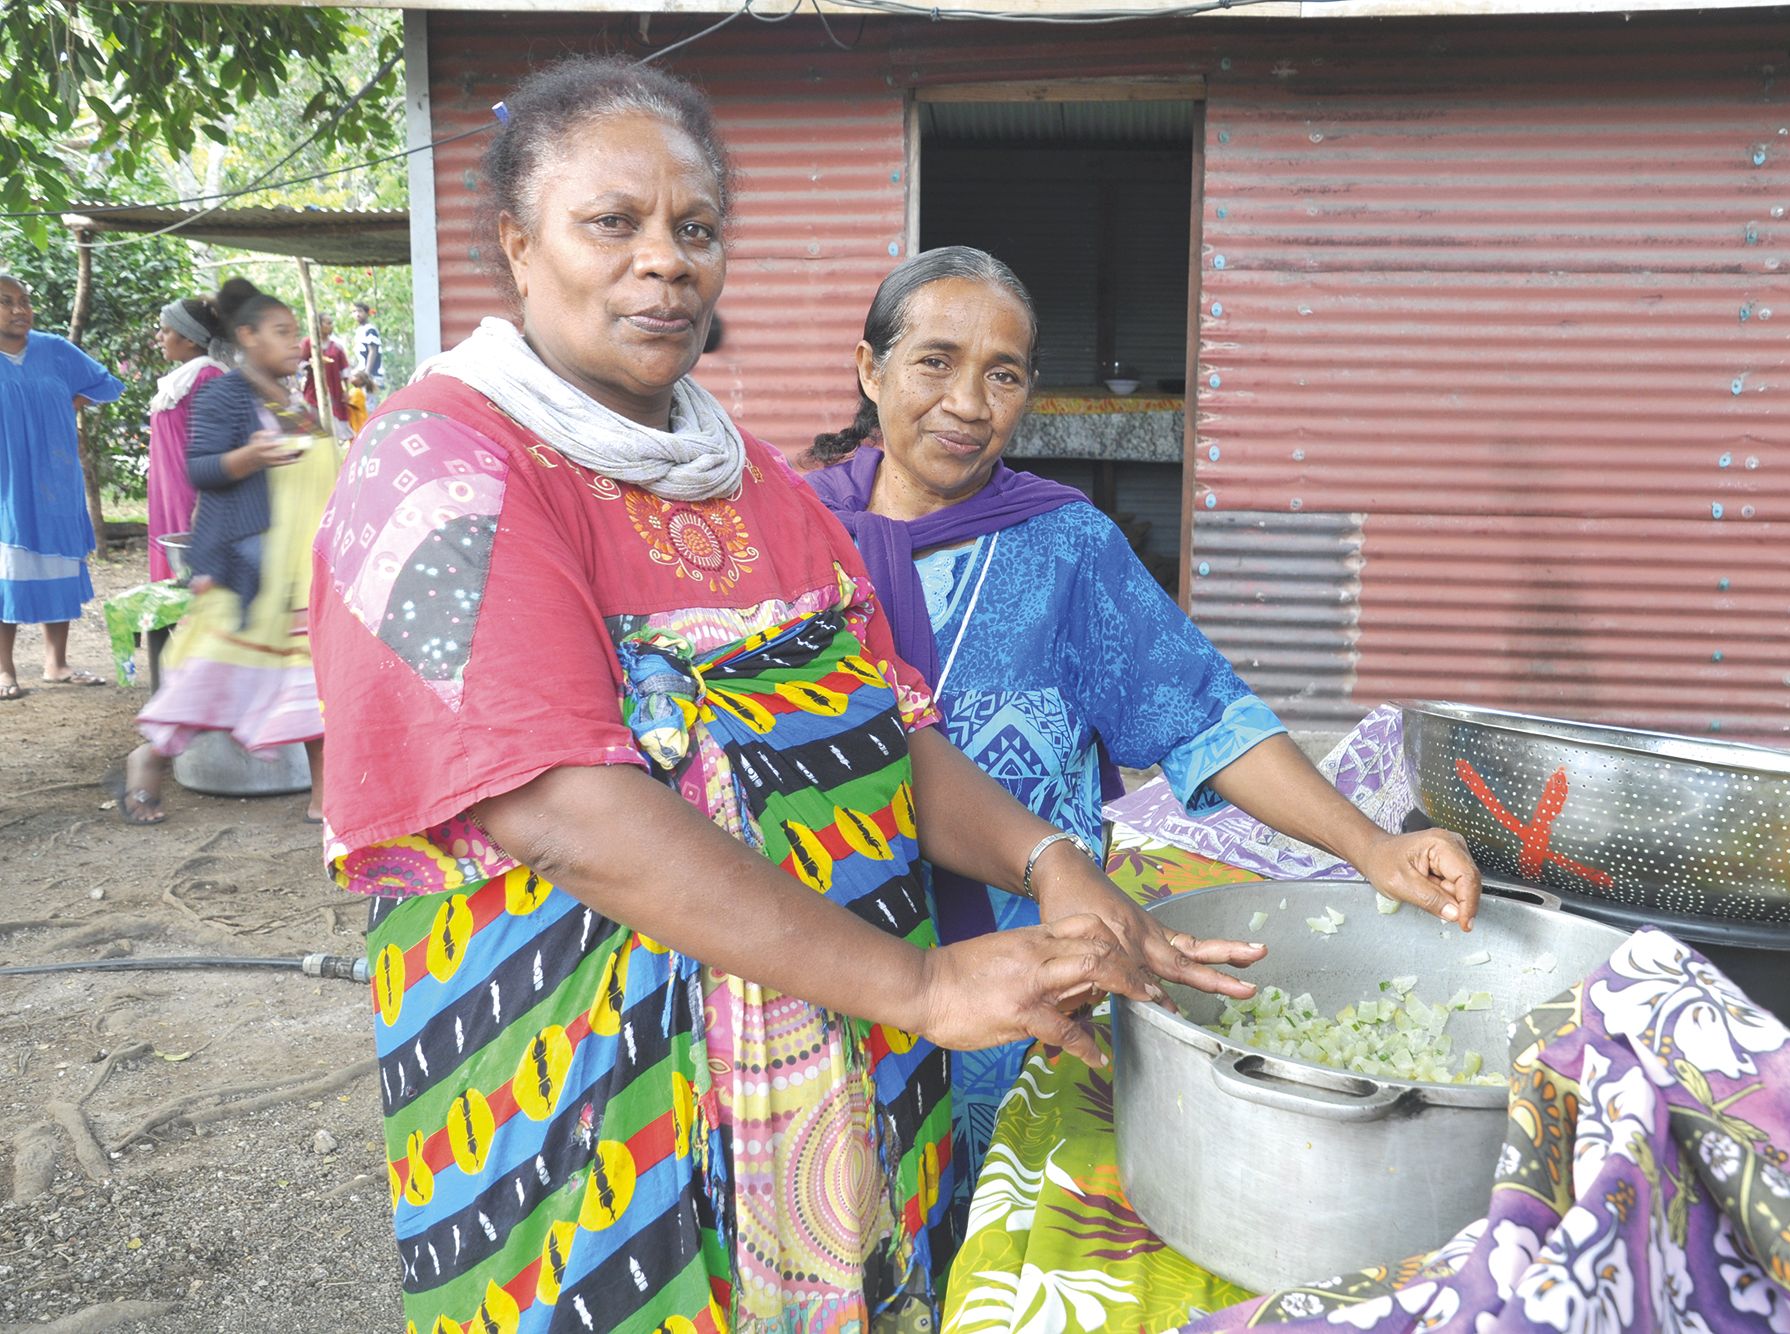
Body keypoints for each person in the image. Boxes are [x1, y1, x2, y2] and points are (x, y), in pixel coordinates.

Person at [307, 60, 1259, 1334]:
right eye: (615, 222)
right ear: (516, 246)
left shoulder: (747, 479)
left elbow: (892, 728)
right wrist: (921, 988)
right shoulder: (436, 463)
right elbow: (563, 807)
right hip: (601, 1097)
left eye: (695, 229)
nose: (667, 262)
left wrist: (1043, 857)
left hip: (843, 1060)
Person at [803, 246, 1487, 1219]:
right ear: (870, 369)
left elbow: (1205, 714)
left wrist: (1369, 844)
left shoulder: (1066, 548)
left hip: (1032, 996)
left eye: (1002, 374)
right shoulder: (788, 542)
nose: (967, 400)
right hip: (834, 984)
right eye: (934, 361)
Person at [112, 278, 336, 825]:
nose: (295, 343)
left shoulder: (294, 401)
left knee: (313, 686)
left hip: (299, 573)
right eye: (281, 333)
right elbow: (200, 469)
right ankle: (148, 757)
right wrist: (249, 458)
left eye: (295, 333)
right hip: (244, 567)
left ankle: (326, 802)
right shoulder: (224, 394)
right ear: (247, 337)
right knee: (213, 681)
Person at [0, 272, 123, 698]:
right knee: (7, 567)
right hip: (5, 484)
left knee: (56, 561)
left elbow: (103, 384)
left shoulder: (54, 350)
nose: (19, 309)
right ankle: (5, 671)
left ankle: (56, 663)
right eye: (6, 301)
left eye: (24, 301)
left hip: (54, 478)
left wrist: (60, 405)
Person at [145, 296, 228, 582]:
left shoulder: (209, 376)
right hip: (169, 494)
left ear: (190, 339)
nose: (159, 337)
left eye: (165, 330)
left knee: (194, 581)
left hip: (193, 499)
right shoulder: (185, 377)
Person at [298, 311, 349, 436]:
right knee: (315, 426)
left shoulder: (337, 347)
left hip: (334, 392)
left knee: (334, 427)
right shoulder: (308, 343)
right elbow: (299, 363)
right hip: (313, 392)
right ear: (318, 325)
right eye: (328, 323)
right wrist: (310, 364)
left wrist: (346, 391)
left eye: (331, 323)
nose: (331, 326)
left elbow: (344, 371)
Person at [349, 298, 383, 384]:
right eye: (354, 311)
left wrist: (367, 373)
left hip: (372, 375)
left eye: (360, 311)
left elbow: (373, 351)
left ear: (367, 313)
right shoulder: (359, 331)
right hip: (362, 373)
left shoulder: (370, 330)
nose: (357, 314)